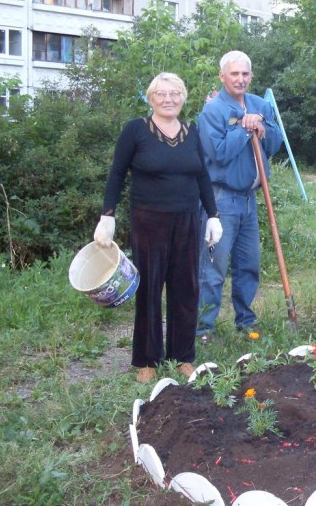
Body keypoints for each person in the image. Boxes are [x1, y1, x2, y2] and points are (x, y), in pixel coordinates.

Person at [93, 72, 223, 383]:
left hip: (188, 220)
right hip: (148, 220)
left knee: (186, 288)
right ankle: (147, 360)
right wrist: (107, 216)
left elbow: (202, 175)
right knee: (150, 288)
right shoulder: (135, 130)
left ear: (183, 97)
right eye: (162, 94)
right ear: (151, 98)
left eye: (175, 93)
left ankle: (183, 357)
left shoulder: (191, 132)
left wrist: (213, 215)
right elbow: (116, 175)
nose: (169, 99)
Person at [196, 51, 283, 338]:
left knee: (249, 264)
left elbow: (274, 143)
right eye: (234, 74)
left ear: (251, 76)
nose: (240, 79)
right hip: (220, 201)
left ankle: (245, 322)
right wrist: (245, 129)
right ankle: (202, 328)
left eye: (245, 74)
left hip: (250, 199)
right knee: (213, 267)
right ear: (222, 76)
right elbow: (218, 154)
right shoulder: (212, 111)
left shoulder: (259, 104)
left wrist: (262, 125)